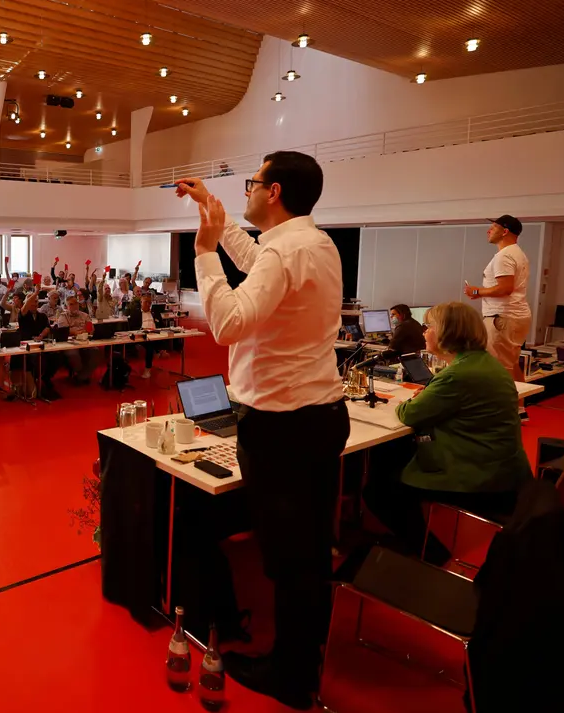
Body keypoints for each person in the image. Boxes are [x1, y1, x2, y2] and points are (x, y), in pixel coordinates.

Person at [176, 150, 349, 709]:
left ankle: (291, 675)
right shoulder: (314, 243)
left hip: (282, 427)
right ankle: (307, 656)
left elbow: (227, 324)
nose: (246, 188)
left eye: (252, 181)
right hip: (320, 416)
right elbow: (256, 259)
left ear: (273, 192)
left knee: (290, 558)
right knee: (310, 550)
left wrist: (205, 252)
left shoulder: (286, 251)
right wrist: (213, 211)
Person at [362, 302, 532, 565]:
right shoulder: (485, 364)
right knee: (396, 455)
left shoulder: (457, 375)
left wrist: (416, 400)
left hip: (476, 476)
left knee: (379, 490)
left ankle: (430, 552)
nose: (424, 332)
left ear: (447, 333)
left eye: (429, 326)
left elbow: (409, 414)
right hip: (502, 469)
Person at [465, 215, 531, 382]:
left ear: (505, 231)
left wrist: (477, 291)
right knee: (512, 363)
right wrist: (481, 293)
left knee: (499, 368)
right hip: (514, 316)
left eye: (493, 227)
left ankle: (504, 399)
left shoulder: (504, 256)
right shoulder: (518, 253)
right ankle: (521, 399)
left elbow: (505, 288)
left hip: (502, 318)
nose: (488, 231)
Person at [57, 295, 94, 384]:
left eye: (76, 303)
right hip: (70, 343)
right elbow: (65, 331)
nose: (74, 306)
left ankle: (82, 376)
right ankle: (82, 373)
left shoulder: (85, 315)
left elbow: (90, 329)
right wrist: (77, 331)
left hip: (86, 342)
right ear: (66, 307)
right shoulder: (63, 317)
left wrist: (76, 331)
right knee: (73, 354)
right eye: (71, 304)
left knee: (96, 352)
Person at [126, 289, 163, 379]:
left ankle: (159, 350)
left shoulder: (155, 313)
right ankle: (148, 368)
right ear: (141, 302)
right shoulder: (136, 313)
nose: (148, 304)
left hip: (156, 334)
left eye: (149, 302)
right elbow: (132, 327)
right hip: (142, 336)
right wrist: (143, 330)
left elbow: (161, 325)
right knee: (150, 346)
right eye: (146, 302)